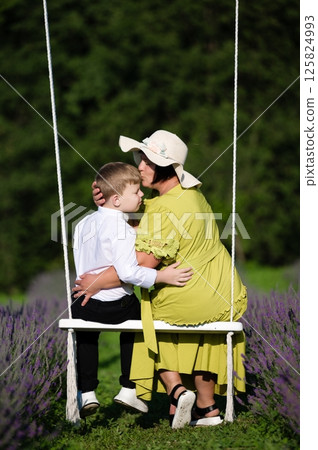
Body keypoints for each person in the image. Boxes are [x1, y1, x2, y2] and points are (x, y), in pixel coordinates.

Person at [73, 130, 247, 429]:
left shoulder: (163, 210)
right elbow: (141, 213)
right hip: (222, 291)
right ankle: (207, 409)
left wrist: (99, 282)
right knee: (190, 322)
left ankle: (173, 391)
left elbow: (141, 263)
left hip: (186, 291)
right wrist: (108, 204)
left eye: (146, 160)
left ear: (165, 167)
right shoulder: (190, 194)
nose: (139, 166)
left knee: (143, 313)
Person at [72, 161, 192, 419]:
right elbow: (128, 273)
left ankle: (87, 392)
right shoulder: (123, 230)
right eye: (136, 192)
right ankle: (128, 388)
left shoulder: (82, 224)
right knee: (138, 321)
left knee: (85, 337)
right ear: (116, 200)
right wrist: (162, 275)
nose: (141, 196)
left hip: (83, 301)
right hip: (115, 305)